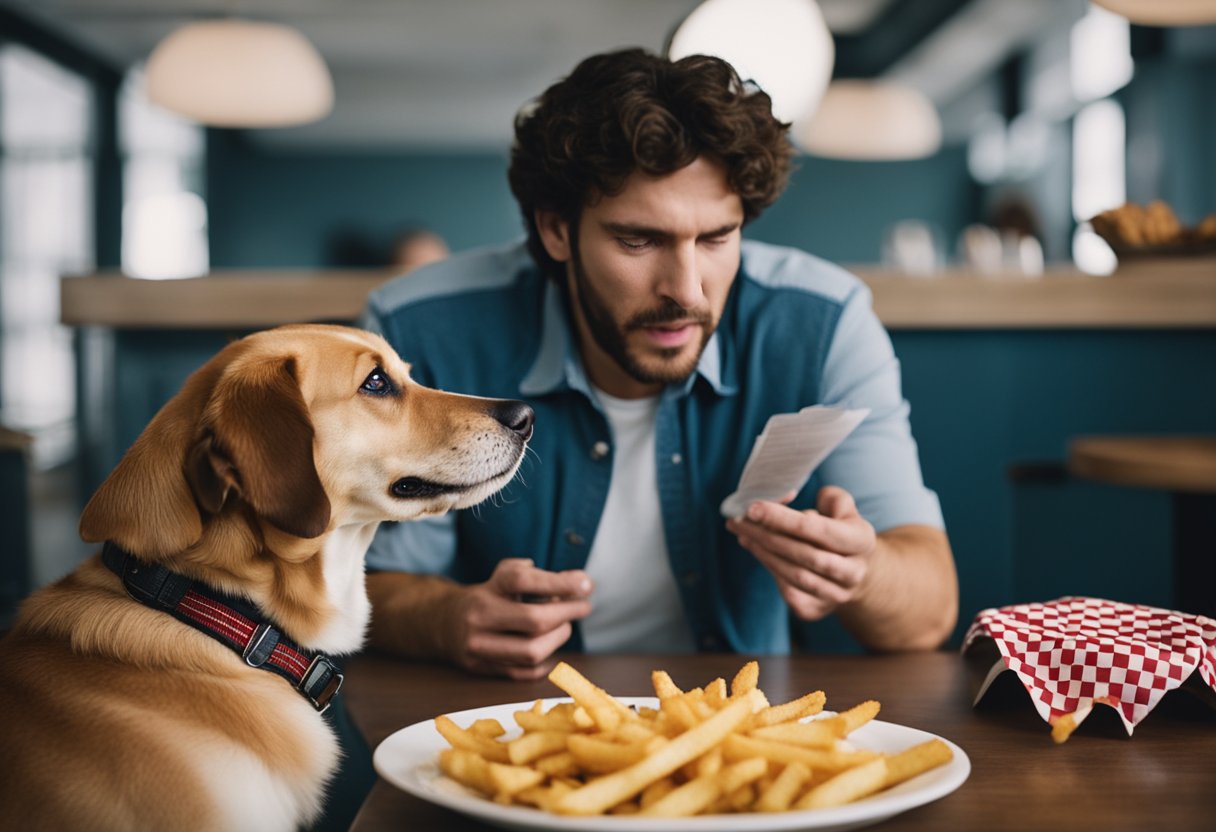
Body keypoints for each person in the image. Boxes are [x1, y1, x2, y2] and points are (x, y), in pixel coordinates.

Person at [359, 49, 958, 679]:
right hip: (517, 734)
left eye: (716, 238)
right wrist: (447, 619)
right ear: (557, 229)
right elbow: (368, 581)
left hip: (743, 741)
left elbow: (929, 610)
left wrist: (859, 573)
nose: (689, 291)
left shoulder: (825, 325)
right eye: (639, 241)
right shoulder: (423, 333)